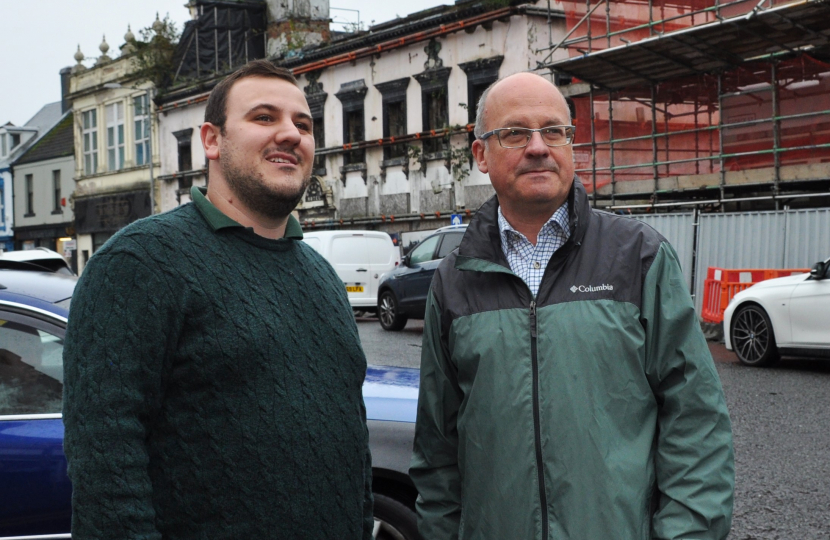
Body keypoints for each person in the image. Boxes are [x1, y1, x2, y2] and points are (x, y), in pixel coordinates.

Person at [410, 72, 734, 540]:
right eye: (515, 133)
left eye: (554, 131)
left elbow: (696, 419)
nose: (538, 147)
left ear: (571, 146)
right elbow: (438, 447)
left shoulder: (638, 255)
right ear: (480, 153)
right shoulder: (454, 278)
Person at [62, 60, 373, 540]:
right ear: (211, 140)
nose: (290, 134)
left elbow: (354, 452)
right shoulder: (139, 262)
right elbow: (107, 465)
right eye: (264, 118)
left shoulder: (323, 277)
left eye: (303, 124)